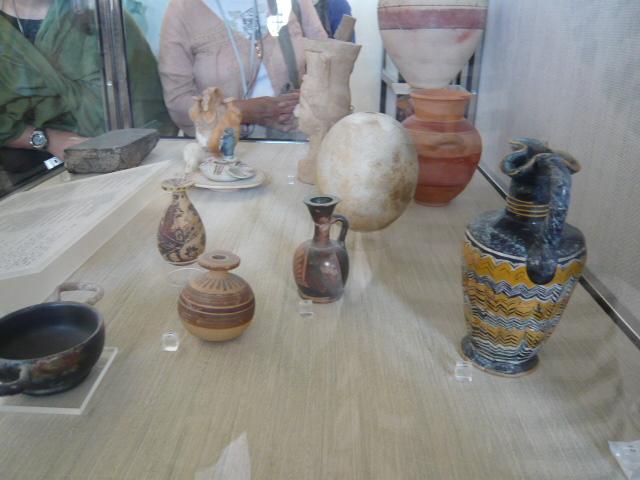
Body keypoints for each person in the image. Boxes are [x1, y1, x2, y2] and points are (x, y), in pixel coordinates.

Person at [0, 0, 175, 162]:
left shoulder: (104, 15)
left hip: (126, 156)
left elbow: (149, 107)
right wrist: (48, 140)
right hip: (34, 171)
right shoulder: (5, 33)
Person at [159, 0, 328, 137]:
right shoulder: (182, 11)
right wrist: (244, 111)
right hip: (222, 153)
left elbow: (328, 63)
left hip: (298, 142)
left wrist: (309, 96)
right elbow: (178, 104)